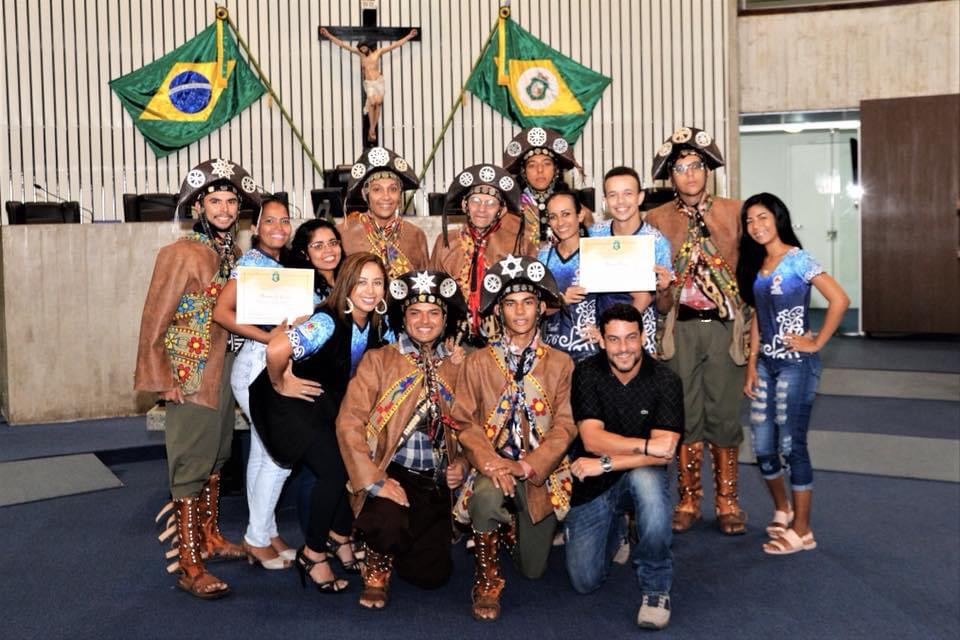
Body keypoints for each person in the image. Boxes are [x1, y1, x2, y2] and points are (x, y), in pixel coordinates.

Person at [135, 158, 261, 599]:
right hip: (189, 373)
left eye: (231, 202)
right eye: (216, 201)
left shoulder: (234, 255)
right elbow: (154, 320)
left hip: (224, 369)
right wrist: (162, 379)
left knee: (217, 454)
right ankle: (189, 563)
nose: (224, 209)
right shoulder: (180, 253)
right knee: (190, 462)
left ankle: (209, 537)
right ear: (198, 207)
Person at [247, 253, 392, 593]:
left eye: (377, 282)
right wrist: (281, 382)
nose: (370, 290)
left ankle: (339, 537)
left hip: (322, 406)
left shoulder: (374, 322)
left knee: (343, 463)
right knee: (334, 471)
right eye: (361, 282)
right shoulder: (327, 321)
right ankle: (313, 553)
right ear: (347, 285)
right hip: (289, 404)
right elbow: (276, 350)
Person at [452, 255, 577, 622]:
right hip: (493, 468)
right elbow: (464, 421)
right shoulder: (478, 361)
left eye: (527, 302)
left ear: (540, 308)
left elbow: (566, 426)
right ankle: (487, 581)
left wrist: (527, 466)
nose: (519, 311)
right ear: (499, 310)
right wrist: (492, 463)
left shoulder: (561, 363)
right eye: (510, 303)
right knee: (485, 498)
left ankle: (508, 526)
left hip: (540, 471)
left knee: (533, 569)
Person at [336, 270, 468, 610]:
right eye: (415, 312)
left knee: (432, 577)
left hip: (436, 481)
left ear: (445, 319)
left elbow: (472, 426)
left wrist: (463, 464)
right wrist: (374, 480)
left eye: (434, 312)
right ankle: (376, 563)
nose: (424, 321)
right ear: (403, 318)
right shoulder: (379, 360)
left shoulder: (457, 365)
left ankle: (401, 542)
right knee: (386, 523)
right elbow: (349, 422)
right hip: (391, 472)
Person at [644, 126, 751, 535]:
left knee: (724, 414)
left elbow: (750, 273)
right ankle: (689, 498)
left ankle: (727, 501)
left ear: (708, 171)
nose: (689, 174)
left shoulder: (735, 212)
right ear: (670, 176)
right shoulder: (657, 219)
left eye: (696, 166)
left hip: (724, 327)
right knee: (684, 415)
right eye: (680, 168)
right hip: (679, 327)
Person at [736, 193, 849, 555]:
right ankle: (783, 509)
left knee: (791, 445)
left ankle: (803, 530)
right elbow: (758, 315)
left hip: (796, 365)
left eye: (763, 217)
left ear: (778, 218)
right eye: (749, 221)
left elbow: (840, 300)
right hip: (766, 365)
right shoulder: (759, 264)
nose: (756, 226)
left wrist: (816, 342)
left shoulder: (798, 259)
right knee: (762, 446)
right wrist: (751, 363)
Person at [564, 303, 684, 630]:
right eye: (614, 339)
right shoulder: (587, 372)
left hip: (611, 471)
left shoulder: (666, 380)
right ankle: (618, 532)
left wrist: (606, 463)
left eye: (631, 337)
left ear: (643, 336)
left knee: (649, 485)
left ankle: (656, 588)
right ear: (601, 341)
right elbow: (592, 439)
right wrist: (645, 446)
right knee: (584, 581)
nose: (623, 348)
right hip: (594, 485)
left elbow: (665, 452)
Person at [212, 195, 295, 570]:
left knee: (264, 453)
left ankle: (266, 531)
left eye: (284, 221)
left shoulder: (278, 264)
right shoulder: (251, 263)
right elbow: (222, 312)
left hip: (269, 364)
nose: (278, 227)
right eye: (270, 221)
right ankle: (256, 538)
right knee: (279, 452)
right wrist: (267, 338)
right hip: (255, 366)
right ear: (256, 228)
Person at [430, 163, 534, 347]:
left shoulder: (519, 245)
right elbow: (433, 294)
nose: (482, 209)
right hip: (453, 339)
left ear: (502, 210)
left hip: (504, 339)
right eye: (475, 201)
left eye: (491, 203)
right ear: (464, 205)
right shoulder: (446, 242)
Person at [591, 166, 674, 356]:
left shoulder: (657, 242)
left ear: (640, 197)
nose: (620, 201)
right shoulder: (593, 236)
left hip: (641, 337)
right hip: (598, 337)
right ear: (605, 201)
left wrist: (664, 289)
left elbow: (665, 308)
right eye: (613, 195)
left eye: (628, 193)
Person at [338, 146, 429, 280]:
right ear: (364, 194)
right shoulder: (344, 234)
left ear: (400, 194)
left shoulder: (416, 235)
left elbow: (425, 285)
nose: (386, 197)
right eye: (377, 189)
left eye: (393, 189)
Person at [319, 27, 418, 141]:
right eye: (361, 49)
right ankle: (372, 129)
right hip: (369, 83)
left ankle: (372, 129)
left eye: (363, 48)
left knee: (378, 103)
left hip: (379, 81)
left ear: (368, 45)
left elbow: (395, 45)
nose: (362, 50)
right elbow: (343, 45)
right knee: (372, 102)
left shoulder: (378, 52)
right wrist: (328, 35)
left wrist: (409, 36)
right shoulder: (361, 55)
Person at [538, 191, 600, 362]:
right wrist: (561, 300)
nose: (560, 223)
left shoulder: (599, 252)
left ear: (580, 215)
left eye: (566, 214)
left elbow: (615, 300)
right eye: (553, 217)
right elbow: (536, 305)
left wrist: (606, 332)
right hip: (551, 350)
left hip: (590, 349)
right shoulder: (544, 256)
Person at [502, 126, 587, 246]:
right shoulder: (511, 209)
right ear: (523, 172)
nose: (540, 170)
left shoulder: (574, 207)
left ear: (556, 169)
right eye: (532, 165)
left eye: (547, 164)